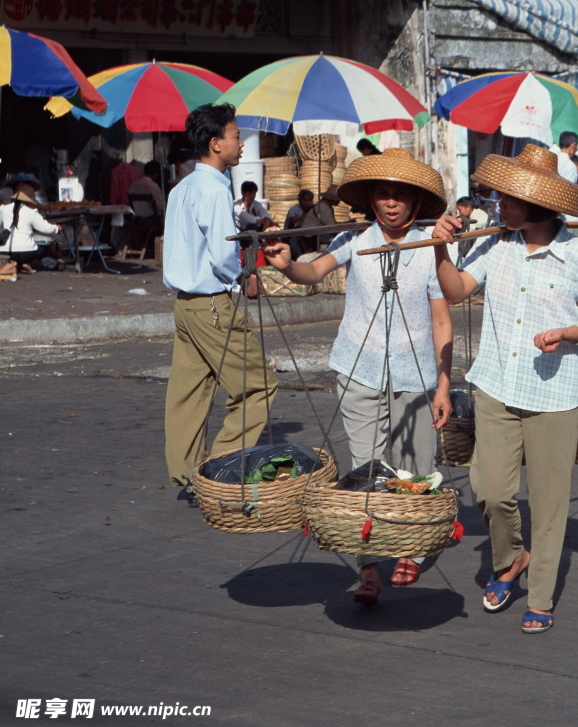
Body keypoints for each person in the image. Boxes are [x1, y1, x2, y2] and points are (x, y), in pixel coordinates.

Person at [431, 144, 578, 634]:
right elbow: (455, 290)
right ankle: (511, 558)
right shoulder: (495, 245)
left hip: (553, 396)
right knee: (489, 490)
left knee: (550, 503)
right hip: (496, 385)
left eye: (507, 198)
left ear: (539, 205)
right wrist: (440, 246)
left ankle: (542, 595)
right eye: (497, 195)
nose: (497, 205)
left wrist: (569, 334)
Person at [263, 148, 454, 604]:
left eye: (400, 196)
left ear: (415, 203)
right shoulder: (353, 240)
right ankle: (368, 566)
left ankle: (410, 545)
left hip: (417, 373)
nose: (391, 203)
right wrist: (287, 264)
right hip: (358, 368)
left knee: (415, 470)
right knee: (365, 469)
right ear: (372, 200)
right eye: (383, 194)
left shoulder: (431, 249)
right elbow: (313, 271)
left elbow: (443, 319)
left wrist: (445, 382)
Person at [162, 103, 279, 499]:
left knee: (189, 392)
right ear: (216, 144)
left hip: (184, 303)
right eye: (234, 136)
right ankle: (219, 473)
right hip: (210, 302)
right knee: (258, 385)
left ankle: (188, 475)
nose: (241, 144)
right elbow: (221, 255)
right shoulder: (212, 189)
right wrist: (245, 274)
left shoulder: (182, 187)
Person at [0, 174, 62, 276]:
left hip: (5, 252)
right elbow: (46, 228)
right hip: (26, 253)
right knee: (45, 249)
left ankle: (17, 264)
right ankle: (26, 263)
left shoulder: (4, 209)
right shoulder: (31, 212)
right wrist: (57, 228)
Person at [300, 185, 341, 250]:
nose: (339, 201)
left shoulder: (327, 206)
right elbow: (332, 225)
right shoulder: (323, 206)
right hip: (311, 238)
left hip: (317, 235)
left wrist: (347, 223)